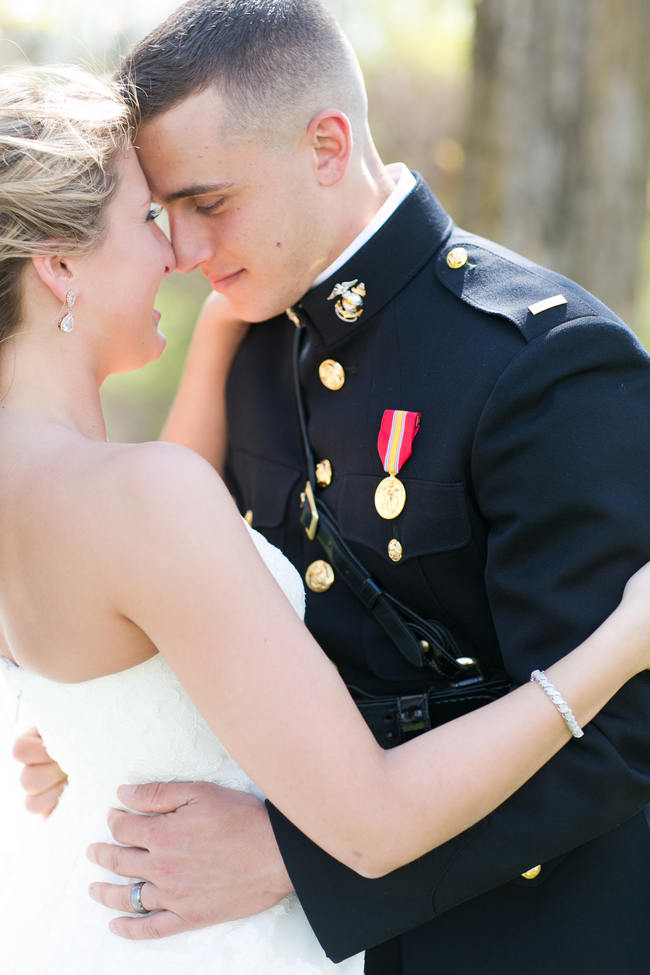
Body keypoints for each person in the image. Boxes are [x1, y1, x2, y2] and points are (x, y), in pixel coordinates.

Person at [11, 1, 650, 972]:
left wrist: (297, 858)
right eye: (161, 212)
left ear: (324, 145)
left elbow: (618, 732)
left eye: (207, 203)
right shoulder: (245, 347)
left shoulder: (540, 363)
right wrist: (119, 718)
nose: (180, 252)